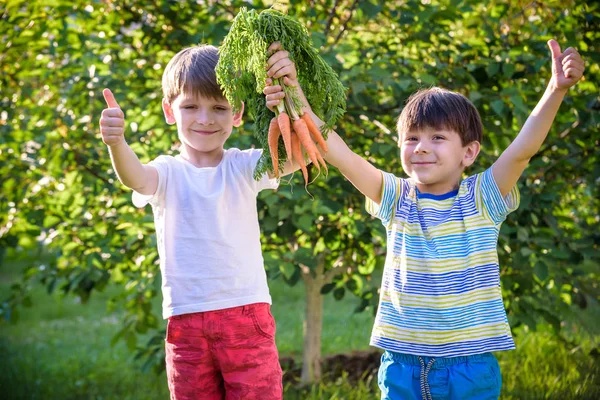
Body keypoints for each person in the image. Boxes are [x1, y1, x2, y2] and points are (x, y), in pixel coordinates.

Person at [264, 39, 585, 399]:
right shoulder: (396, 198)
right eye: (412, 137)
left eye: (437, 138)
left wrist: (556, 90)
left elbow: (523, 150)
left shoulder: (482, 198)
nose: (420, 147)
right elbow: (339, 153)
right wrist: (294, 94)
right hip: (403, 366)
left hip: (469, 367)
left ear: (469, 152)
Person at [99, 43, 299, 400]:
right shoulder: (167, 171)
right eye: (190, 106)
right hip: (187, 321)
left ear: (237, 113)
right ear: (169, 111)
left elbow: (296, 156)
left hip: (245, 315)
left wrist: (287, 106)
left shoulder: (243, 166)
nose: (205, 119)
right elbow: (136, 178)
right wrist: (117, 143)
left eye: (219, 108)